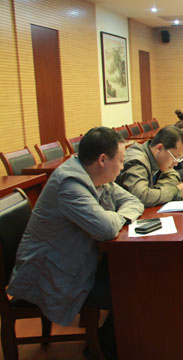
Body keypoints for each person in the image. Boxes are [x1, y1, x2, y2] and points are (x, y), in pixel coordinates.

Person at [7, 127, 144, 359]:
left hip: (73, 261)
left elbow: (134, 201)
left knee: (135, 274)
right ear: (102, 160)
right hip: (51, 274)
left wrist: (115, 217)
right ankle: (103, 349)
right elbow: (106, 229)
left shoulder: (95, 175)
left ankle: (113, 342)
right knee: (131, 288)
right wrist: (117, 218)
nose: (122, 167)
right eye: (121, 161)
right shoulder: (69, 184)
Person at [117, 126, 183, 207]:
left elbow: (174, 175)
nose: (176, 163)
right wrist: (175, 191)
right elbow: (142, 197)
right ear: (159, 148)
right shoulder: (136, 161)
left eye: (179, 159)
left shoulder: (159, 160)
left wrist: (155, 192)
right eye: (175, 157)